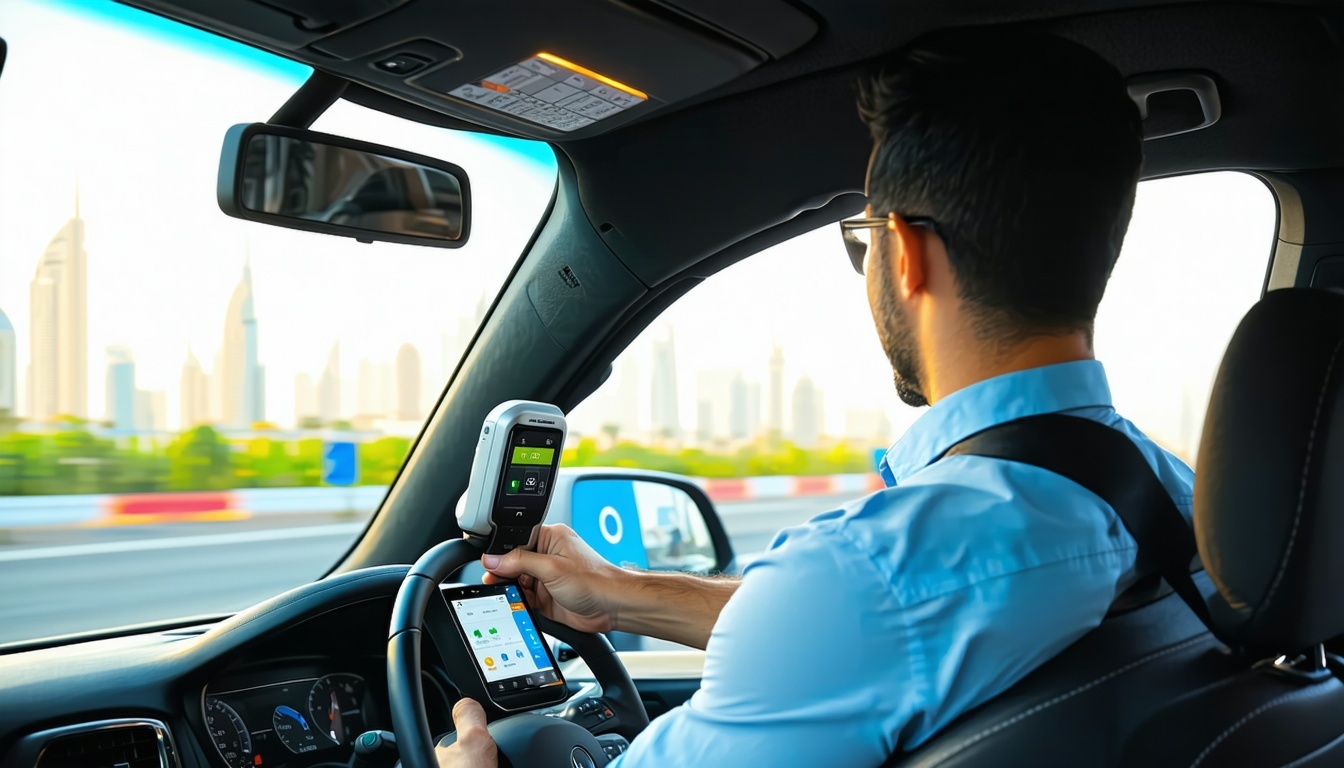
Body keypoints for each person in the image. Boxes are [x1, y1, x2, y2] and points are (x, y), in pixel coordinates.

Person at [438, 28, 1191, 767]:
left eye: (864, 239)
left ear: (905, 254)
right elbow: (890, 626)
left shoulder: (867, 570)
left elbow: (864, 613)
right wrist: (623, 593)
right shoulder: (1192, 507)